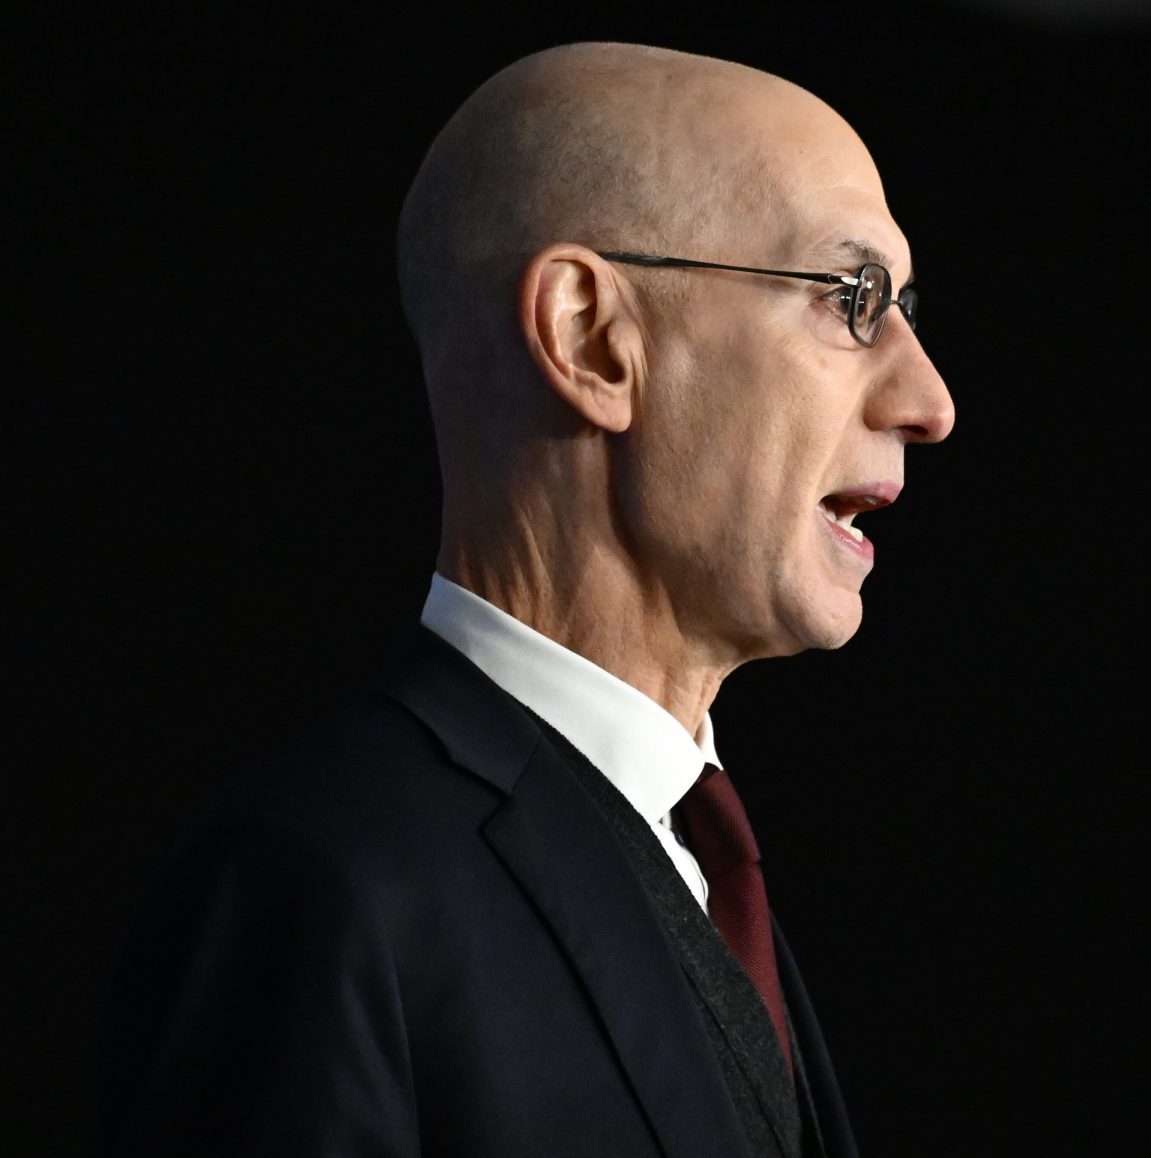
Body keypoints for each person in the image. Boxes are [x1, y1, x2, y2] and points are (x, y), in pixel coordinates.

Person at [97, 41, 953, 1158]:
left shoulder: (705, 867)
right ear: (590, 338)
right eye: (853, 298)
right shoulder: (312, 884)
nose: (929, 400)